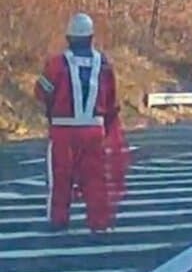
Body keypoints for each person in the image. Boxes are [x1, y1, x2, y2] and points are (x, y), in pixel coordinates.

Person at [34, 12, 131, 234]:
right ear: (91, 37)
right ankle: (98, 222)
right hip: (93, 129)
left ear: (69, 37)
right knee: (94, 177)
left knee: (60, 176)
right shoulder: (103, 64)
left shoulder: (57, 63)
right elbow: (111, 100)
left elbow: (41, 91)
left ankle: (59, 219)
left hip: (63, 128)